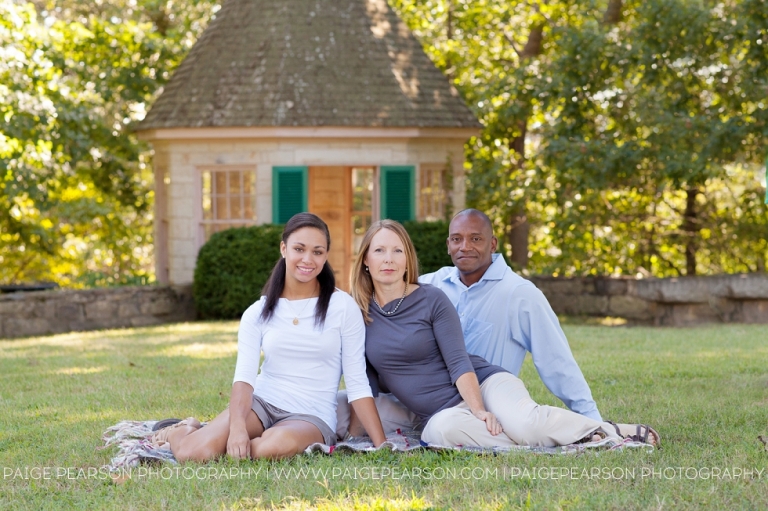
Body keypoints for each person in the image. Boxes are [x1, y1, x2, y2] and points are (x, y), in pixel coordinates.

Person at [348, 220, 659, 448]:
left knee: (525, 423)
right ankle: (548, 444)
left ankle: (606, 430)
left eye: (396, 251)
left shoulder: (431, 297)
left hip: (484, 384)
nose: (388, 258)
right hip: (441, 414)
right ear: (365, 260)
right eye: (379, 250)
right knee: (438, 433)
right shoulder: (357, 314)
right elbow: (365, 383)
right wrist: (352, 435)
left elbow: (458, 361)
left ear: (407, 260)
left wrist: (480, 410)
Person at [150, 213, 386, 461]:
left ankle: (219, 438)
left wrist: (382, 445)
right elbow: (244, 379)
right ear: (283, 248)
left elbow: (357, 382)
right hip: (262, 403)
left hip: (311, 415)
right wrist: (238, 428)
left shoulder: (342, 307)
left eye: (317, 252)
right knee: (194, 454)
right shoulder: (257, 313)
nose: (308, 259)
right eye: (299, 249)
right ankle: (183, 431)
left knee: (269, 448)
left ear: (326, 255)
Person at [419, 209, 601, 420]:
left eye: (475, 239)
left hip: (487, 410)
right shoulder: (429, 285)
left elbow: (556, 361)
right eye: (456, 239)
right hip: (427, 403)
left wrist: (594, 421)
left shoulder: (520, 294)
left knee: (443, 430)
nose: (465, 247)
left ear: (493, 244)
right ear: (448, 245)